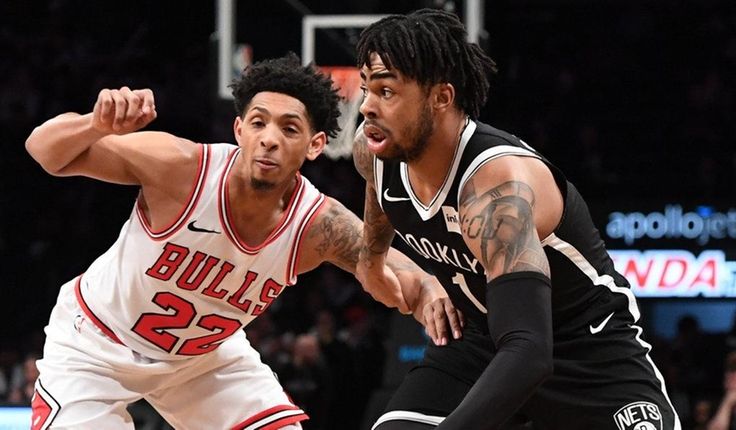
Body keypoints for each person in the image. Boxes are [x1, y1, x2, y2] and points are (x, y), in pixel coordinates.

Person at [25, 53, 460, 430]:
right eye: (258, 123)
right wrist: (94, 124)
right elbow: (43, 149)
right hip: (96, 346)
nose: (269, 138)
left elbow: (394, 267)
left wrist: (432, 294)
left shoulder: (315, 226)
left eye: (289, 129)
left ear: (315, 146)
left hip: (202, 359)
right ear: (239, 130)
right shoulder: (180, 169)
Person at [352, 9, 681, 430]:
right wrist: (372, 259)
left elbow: (529, 351)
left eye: (386, 91)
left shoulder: (494, 188)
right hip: (478, 344)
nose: (366, 106)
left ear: (441, 97)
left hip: (585, 354)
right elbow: (378, 190)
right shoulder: (375, 149)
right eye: (366, 89)